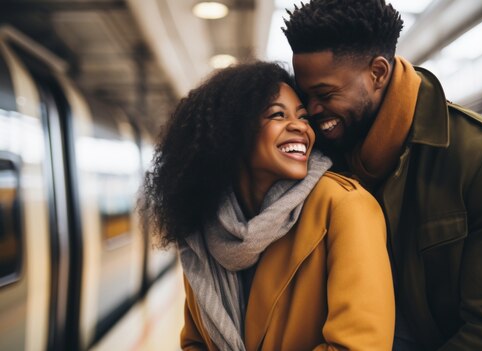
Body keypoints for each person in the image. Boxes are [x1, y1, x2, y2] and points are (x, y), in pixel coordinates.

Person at [283, 1, 482, 350]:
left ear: (377, 72)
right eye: (305, 96)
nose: (312, 112)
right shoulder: (316, 157)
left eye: (326, 94)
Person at [140, 61, 394, 351]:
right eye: (277, 115)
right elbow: (195, 343)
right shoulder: (204, 229)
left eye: (303, 117)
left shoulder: (345, 207)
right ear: (231, 133)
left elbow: (360, 346)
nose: (300, 126)